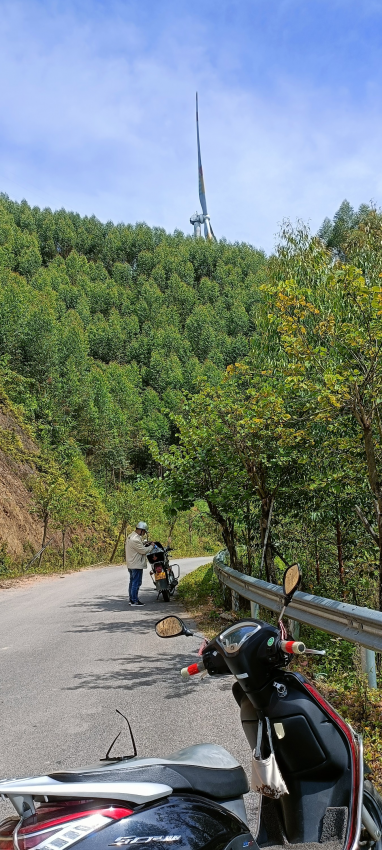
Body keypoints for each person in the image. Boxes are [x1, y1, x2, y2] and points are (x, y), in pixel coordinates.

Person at [125, 522, 154, 606]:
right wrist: (151, 546)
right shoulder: (136, 539)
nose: (144, 533)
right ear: (141, 530)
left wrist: (145, 543)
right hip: (136, 564)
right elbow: (143, 551)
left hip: (131, 563)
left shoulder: (131, 536)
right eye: (144, 531)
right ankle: (134, 601)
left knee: (132, 582)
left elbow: (138, 546)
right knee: (136, 582)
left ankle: (132, 599)